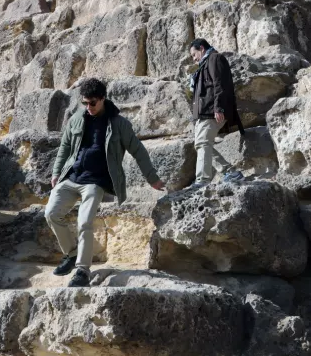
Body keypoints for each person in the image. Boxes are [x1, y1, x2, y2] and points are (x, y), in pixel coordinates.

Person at [46, 77, 165, 287]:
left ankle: (82, 270)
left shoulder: (119, 124)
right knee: (51, 213)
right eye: (85, 103)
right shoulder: (76, 119)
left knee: (84, 222)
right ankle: (71, 254)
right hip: (71, 177)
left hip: (95, 182)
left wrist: (152, 178)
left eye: (93, 103)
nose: (89, 107)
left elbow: (138, 151)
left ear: (103, 99)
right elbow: (64, 147)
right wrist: (56, 173)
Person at [187, 38, 244, 188]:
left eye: (194, 55)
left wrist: (219, 108)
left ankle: (202, 181)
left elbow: (220, 85)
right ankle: (231, 172)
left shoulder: (215, 59)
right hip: (203, 113)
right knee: (201, 144)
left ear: (201, 49)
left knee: (203, 143)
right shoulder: (204, 65)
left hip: (212, 111)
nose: (194, 59)